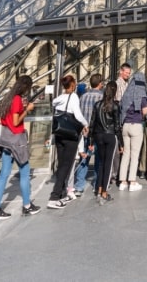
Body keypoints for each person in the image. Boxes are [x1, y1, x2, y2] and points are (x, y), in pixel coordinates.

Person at [0, 75, 41, 220]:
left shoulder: (7, 98)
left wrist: (20, 109)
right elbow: (16, 120)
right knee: (24, 173)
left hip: (6, 139)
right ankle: (27, 206)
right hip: (17, 140)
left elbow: (1, 120)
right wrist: (27, 109)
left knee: (3, 175)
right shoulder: (17, 99)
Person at [47, 75, 86, 209]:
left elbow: (53, 103)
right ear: (73, 84)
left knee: (61, 164)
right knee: (66, 165)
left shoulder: (59, 98)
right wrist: (85, 124)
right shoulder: (73, 97)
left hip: (60, 134)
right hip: (70, 135)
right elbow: (78, 114)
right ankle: (54, 196)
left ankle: (62, 194)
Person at [88, 81, 122, 204]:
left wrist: (91, 141)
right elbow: (117, 126)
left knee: (101, 163)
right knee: (108, 165)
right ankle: (104, 193)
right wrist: (121, 144)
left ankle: (99, 189)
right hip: (110, 136)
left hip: (98, 136)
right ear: (114, 92)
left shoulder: (97, 105)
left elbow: (92, 123)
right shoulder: (115, 106)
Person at [73, 74, 104, 197]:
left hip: (84, 132)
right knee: (99, 159)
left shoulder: (83, 97)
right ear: (100, 83)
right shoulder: (101, 97)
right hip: (97, 132)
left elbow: (79, 115)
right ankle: (97, 185)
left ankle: (79, 186)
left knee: (83, 158)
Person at [118, 68, 147, 191]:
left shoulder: (127, 94)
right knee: (135, 155)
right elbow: (145, 110)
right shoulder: (141, 94)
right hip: (136, 125)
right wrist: (143, 115)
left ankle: (123, 182)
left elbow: (122, 109)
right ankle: (132, 181)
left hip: (125, 126)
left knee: (126, 154)